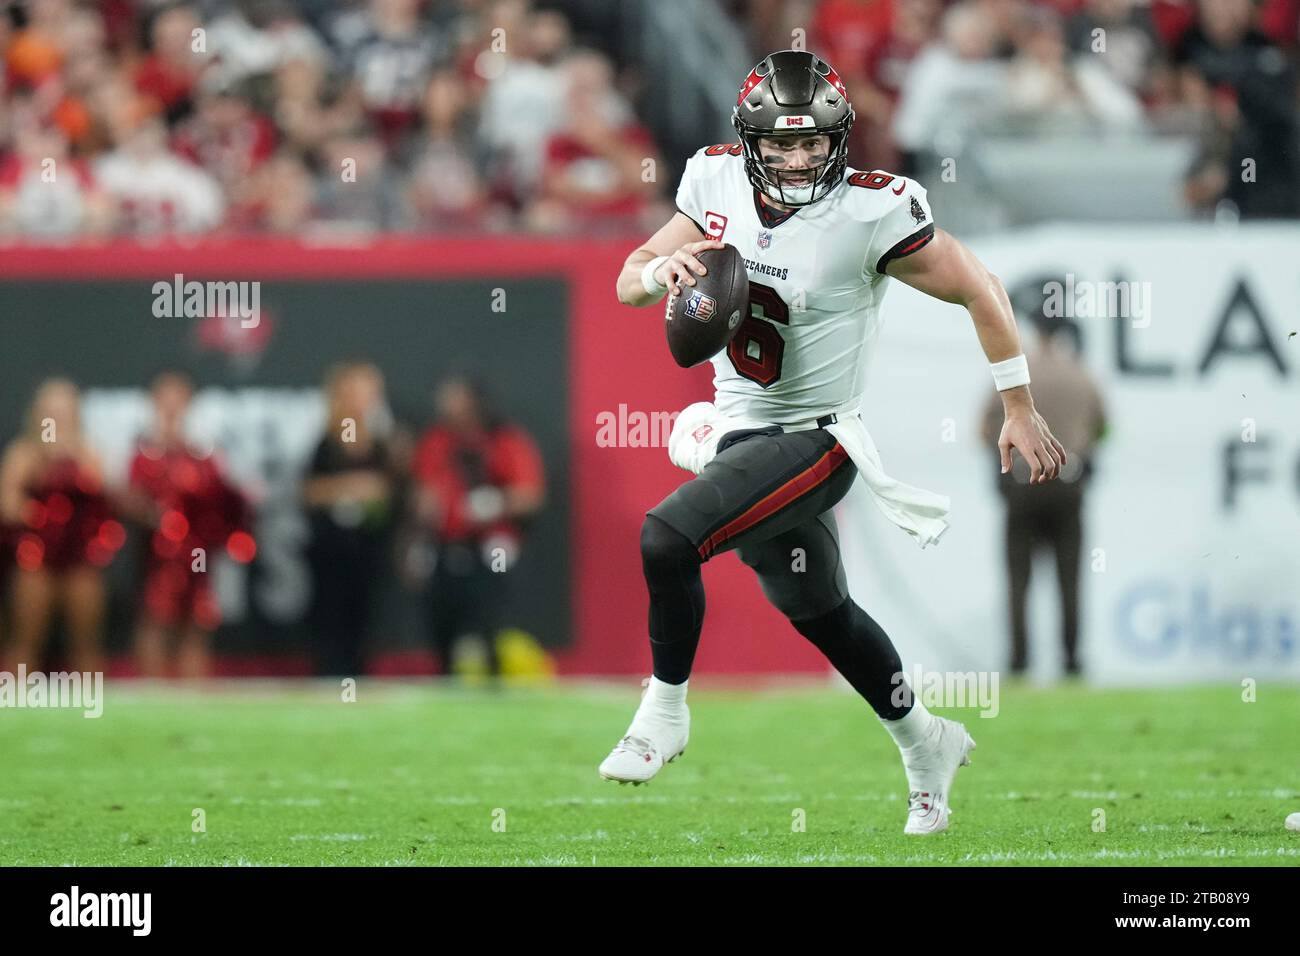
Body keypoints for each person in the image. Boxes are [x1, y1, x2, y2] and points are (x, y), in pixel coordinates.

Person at [608, 50, 1067, 835]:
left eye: (812, 143)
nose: (796, 158)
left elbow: (978, 286)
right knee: (820, 610)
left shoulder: (873, 210)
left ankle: (665, 712)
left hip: (820, 438)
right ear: (749, 142)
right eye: (780, 145)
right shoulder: (714, 180)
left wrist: (1018, 404)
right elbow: (630, 278)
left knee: (666, 536)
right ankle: (928, 741)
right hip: (740, 434)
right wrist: (662, 272)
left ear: (839, 139)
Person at [982, 308, 1108, 678]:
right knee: (1069, 578)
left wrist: (1003, 462)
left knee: (1018, 579)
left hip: (1022, 484)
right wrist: (1084, 453)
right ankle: (1071, 659)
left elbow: (984, 429)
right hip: (1068, 484)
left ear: (1034, 332)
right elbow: (1103, 428)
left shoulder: (1014, 379)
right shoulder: (1082, 376)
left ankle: (1019, 660)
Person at [410, 376, 544, 678]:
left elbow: (530, 496)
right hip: (445, 545)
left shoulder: (504, 439)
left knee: (489, 619)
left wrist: (494, 502)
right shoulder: (437, 440)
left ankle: (494, 681)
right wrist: (424, 513)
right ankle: (447, 680)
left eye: (454, 397)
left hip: (491, 545)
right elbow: (422, 494)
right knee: (441, 621)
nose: (446, 404)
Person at [126, 372, 252, 679]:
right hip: (157, 554)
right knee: (155, 618)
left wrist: (219, 529)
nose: (171, 406)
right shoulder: (143, 454)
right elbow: (129, 500)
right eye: (164, 399)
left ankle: (193, 695)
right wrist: (158, 518)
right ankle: (151, 695)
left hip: (197, 554)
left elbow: (223, 502)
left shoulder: (204, 455)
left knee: (197, 620)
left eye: (178, 399)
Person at [0, 379, 123, 673]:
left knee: (87, 641)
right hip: (36, 557)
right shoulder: (24, 453)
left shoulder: (90, 452)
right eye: (51, 412)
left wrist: (77, 459)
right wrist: (44, 516)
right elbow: (7, 504)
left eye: (65, 411)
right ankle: (15, 705)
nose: (58, 418)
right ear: (38, 414)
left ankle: (93, 709)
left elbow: (109, 496)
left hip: (80, 558)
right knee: (26, 638)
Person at [302, 361, 396, 677]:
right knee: (330, 618)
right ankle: (330, 678)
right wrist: (351, 488)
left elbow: (392, 490)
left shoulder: (384, 443)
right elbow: (309, 492)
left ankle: (357, 681)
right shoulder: (327, 443)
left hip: (367, 546)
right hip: (331, 547)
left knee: (365, 619)